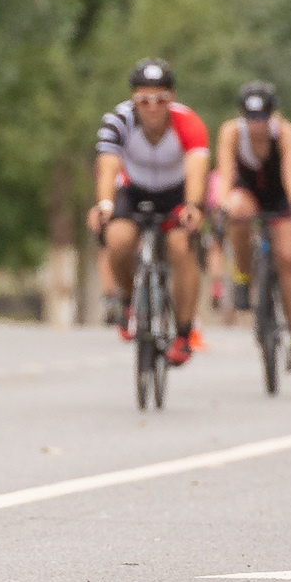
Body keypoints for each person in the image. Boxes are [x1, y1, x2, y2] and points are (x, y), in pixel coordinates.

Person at [90, 57, 211, 366]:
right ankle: (130, 301)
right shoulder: (118, 121)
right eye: (144, 99)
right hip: (134, 191)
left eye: (161, 99)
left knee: (181, 247)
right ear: (134, 100)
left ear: (172, 99)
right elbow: (107, 168)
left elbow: (197, 171)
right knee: (118, 240)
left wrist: (194, 207)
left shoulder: (188, 123)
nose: (152, 107)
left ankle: (183, 333)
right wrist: (104, 205)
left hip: (175, 194)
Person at [216, 80, 291, 369]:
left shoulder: (286, 134)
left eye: (262, 118)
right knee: (238, 211)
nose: (257, 125)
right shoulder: (231, 133)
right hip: (248, 193)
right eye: (251, 118)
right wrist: (221, 209)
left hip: (279, 195)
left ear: (271, 115)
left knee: (288, 258)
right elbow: (225, 175)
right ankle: (243, 276)